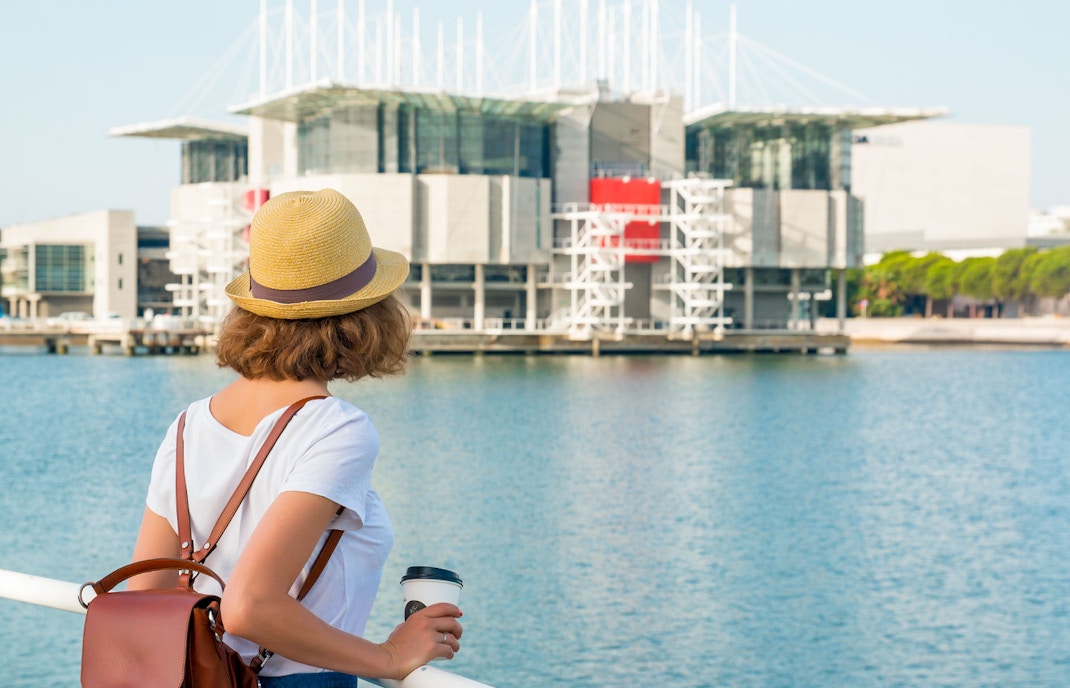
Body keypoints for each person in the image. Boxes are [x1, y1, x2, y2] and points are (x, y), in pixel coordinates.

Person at [128, 188, 462, 687]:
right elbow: (249, 606)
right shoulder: (336, 428)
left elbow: (143, 593)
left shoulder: (187, 425)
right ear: (363, 316)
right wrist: (390, 657)